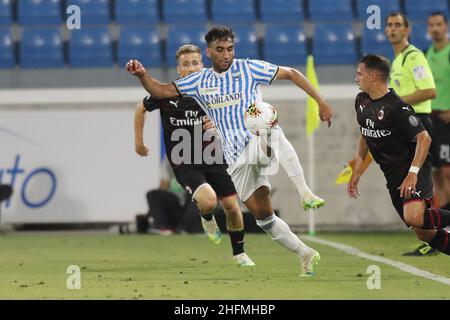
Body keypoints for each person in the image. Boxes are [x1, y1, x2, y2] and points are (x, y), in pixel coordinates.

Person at [127, 26, 334, 276]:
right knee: (264, 218)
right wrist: (142, 75)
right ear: (210, 52)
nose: (226, 55)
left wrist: (320, 100)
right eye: (220, 50)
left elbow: (291, 73)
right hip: (235, 160)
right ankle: (306, 254)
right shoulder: (198, 82)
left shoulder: (248, 68)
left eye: (230, 49)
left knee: (269, 124)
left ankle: (305, 192)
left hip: (254, 143)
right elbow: (159, 91)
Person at [134, 44, 255, 266]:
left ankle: (239, 253)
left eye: (195, 63)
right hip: (185, 161)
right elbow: (141, 108)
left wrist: (217, 125)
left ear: (203, 65)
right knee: (209, 200)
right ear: (178, 69)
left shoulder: (215, 94)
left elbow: (235, 120)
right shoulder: (167, 93)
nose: (191, 68)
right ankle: (207, 217)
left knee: (232, 208)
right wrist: (139, 142)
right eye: (185, 64)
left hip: (215, 158)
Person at [349, 54, 450, 256]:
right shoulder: (361, 101)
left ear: (374, 77)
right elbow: (365, 132)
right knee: (425, 233)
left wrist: (412, 173)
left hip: (412, 168)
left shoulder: (398, 108)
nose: (356, 78)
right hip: (392, 175)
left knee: (414, 216)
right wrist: (357, 168)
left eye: (360, 74)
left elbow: (424, 138)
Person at [143, 157, 200, 235]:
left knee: (196, 195)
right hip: (175, 200)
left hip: (193, 199)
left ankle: (183, 229)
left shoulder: (202, 156)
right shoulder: (170, 156)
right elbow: (164, 186)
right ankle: (162, 228)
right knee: (152, 194)